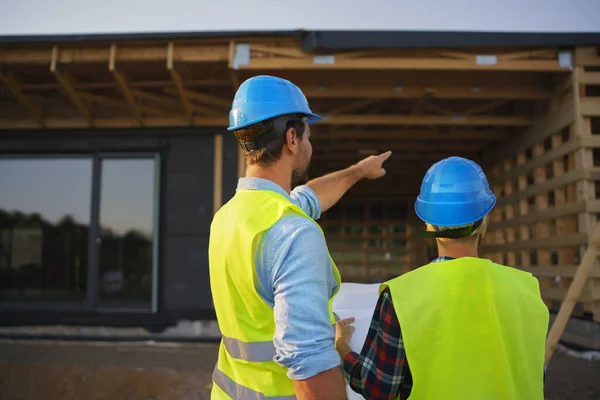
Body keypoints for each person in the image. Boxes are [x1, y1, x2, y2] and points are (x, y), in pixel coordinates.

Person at [208, 75, 391, 400]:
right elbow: (309, 363)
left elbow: (309, 196)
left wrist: (358, 171)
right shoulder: (293, 233)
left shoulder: (229, 217)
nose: (309, 142)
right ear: (292, 138)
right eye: (307, 133)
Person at [335, 156, 549, 400]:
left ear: (428, 223)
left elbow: (378, 388)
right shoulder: (527, 288)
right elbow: (535, 376)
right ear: (485, 218)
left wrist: (343, 349)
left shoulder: (401, 296)